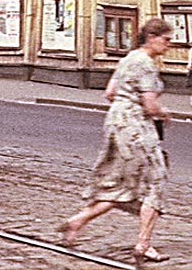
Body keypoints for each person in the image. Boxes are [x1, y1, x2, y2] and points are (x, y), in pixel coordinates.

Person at [58, 18, 173, 263]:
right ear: (152, 38)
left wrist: (126, 105)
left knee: (120, 183)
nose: (169, 45)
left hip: (116, 122)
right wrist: (165, 114)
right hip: (136, 126)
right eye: (166, 39)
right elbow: (150, 106)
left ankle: (76, 222)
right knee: (156, 182)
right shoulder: (147, 64)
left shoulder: (128, 58)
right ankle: (143, 244)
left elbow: (110, 93)